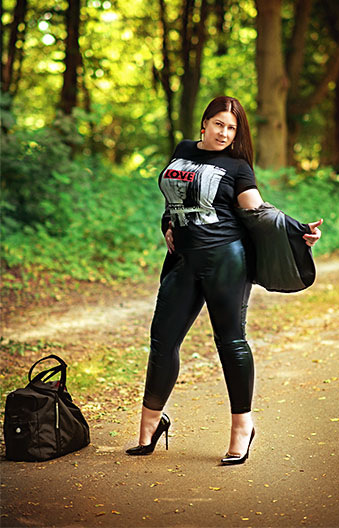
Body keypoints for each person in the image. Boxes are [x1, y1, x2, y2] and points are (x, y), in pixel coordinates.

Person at [126, 96, 322, 465]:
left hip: (226, 261)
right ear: (204, 123)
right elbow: (173, 198)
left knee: (230, 342)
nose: (224, 133)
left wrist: (299, 232)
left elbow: (259, 212)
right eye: (219, 124)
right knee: (162, 341)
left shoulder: (237, 166)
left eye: (232, 128)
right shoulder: (183, 150)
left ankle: (242, 428)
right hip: (182, 261)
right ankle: (150, 425)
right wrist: (167, 224)